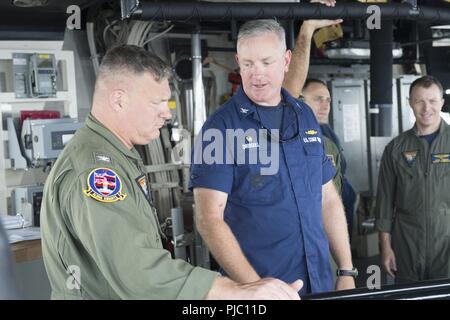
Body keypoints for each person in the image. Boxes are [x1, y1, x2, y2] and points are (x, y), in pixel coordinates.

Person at [40, 44, 303, 300]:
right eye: (157, 102)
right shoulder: (96, 169)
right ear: (118, 100)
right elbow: (138, 272)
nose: (167, 113)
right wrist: (237, 292)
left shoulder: (118, 155)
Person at [190, 19, 355, 295]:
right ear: (238, 62)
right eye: (248, 64)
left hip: (321, 283)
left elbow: (327, 198)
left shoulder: (304, 116)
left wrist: (346, 269)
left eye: (267, 62)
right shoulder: (220, 129)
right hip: (259, 288)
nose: (257, 74)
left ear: (286, 60)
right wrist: (256, 287)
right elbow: (209, 218)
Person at [375, 75, 450, 284]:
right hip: (407, 245)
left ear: (442, 103)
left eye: (433, 101)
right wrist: (386, 247)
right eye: (419, 101)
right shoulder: (395, 149)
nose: (427, 108)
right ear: (410, 103)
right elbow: (384, 203)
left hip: (446, 245)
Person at [300, 79, 357, 238]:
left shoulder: (325, 130)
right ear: (300, 99)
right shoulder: (299, 134)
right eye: (318, 99)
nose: (325, 105)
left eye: (328, 100)